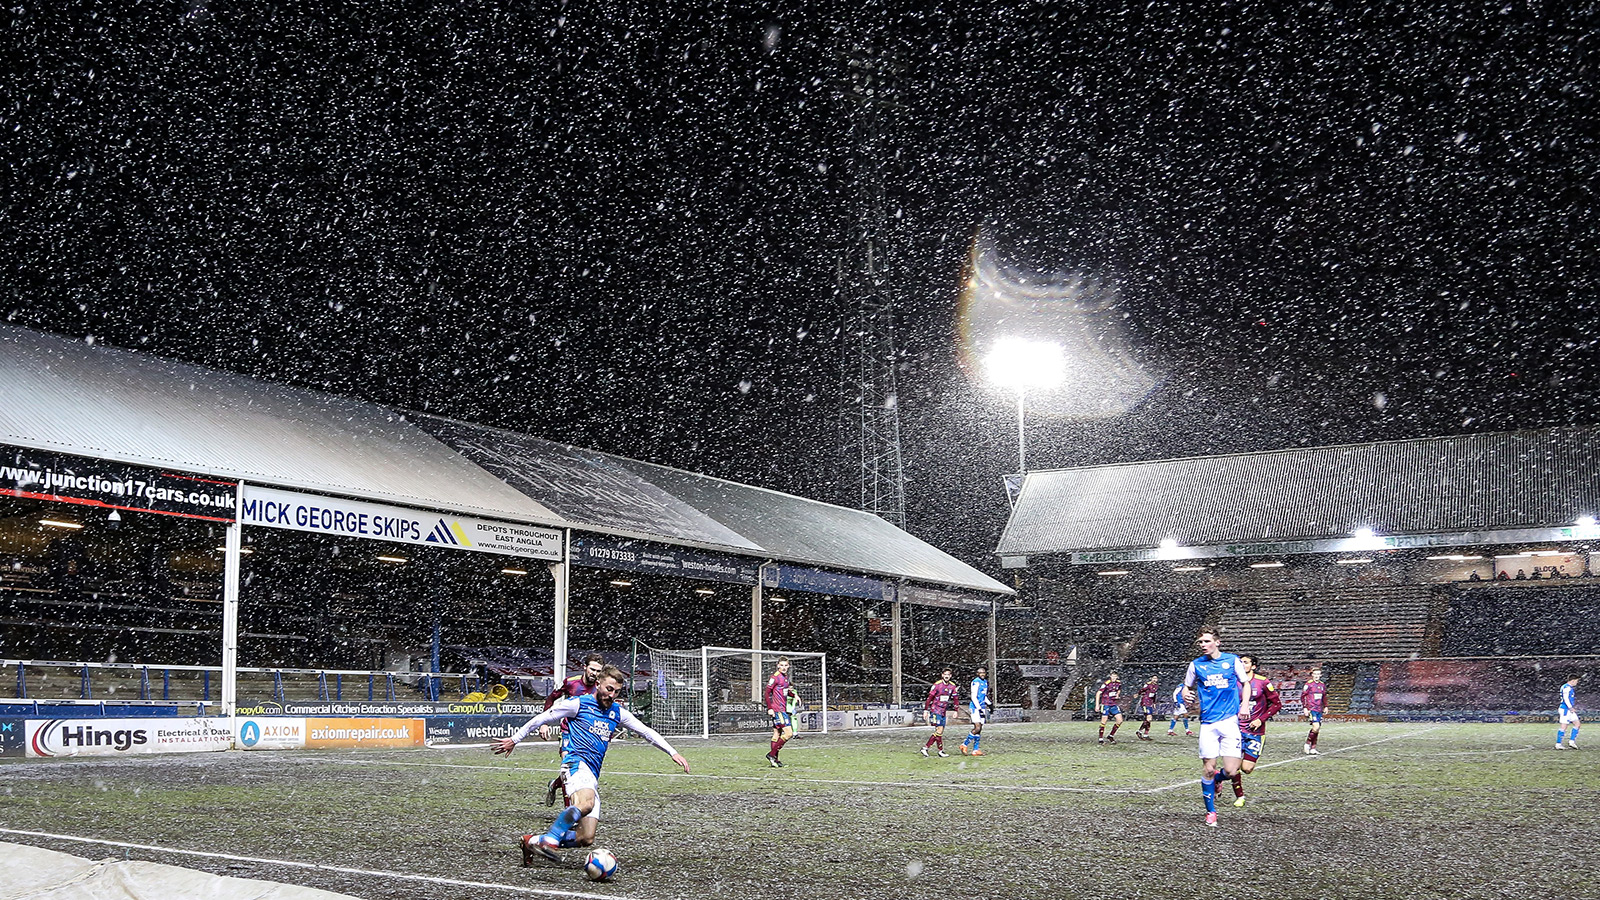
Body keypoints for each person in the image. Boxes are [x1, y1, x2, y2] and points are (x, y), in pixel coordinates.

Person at [493, 665, 689, 865]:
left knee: (585, 838)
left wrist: (672, 752)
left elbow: (646, 732)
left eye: (617, 692)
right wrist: (515, 739)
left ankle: (532, 841)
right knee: (586, 803)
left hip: (592, 775)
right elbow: (543, 718)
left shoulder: (617, 712)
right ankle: (550, 839)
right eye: (609, 689)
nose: (612, 695)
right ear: (598, 684)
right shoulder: (578, 704)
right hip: (575, 764)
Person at [1181, 628, 1250, 827]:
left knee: (1230, 771)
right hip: (1208, 724)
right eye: (1200, 642)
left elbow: (1245, 684)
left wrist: (1244, 705)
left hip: (1229, 722)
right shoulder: (1196, 665)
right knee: (1208, 769)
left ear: (1217, 642)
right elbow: (1187, 686)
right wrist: (1186, 693)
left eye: (1206, 641)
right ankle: (1211, 812)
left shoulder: (1232, 660)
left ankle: (1219, 779)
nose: (1202, 645)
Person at [538, 653, 606, 806]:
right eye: (592, 669)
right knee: (569, 766)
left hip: (588, 736)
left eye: (598, 671)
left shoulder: (600, 687)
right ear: (585, 667)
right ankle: (570, 811)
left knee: (581, 771)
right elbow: (551, 698)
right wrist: (544, 723)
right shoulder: (571, 683)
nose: (594, 674)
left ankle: (554, 784)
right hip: (568, 732)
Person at [1229, 654, 1283, 807]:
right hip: (1235, 729)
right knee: (1233, 768)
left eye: (1245, 662)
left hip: (1255, 732)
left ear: (1253, 666)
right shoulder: (1233, 681)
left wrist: (1261, 719)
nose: (1241, 664)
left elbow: (1276, 704)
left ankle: (1219, 777)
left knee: (1247, 768)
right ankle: (1240, 796)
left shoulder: (1263, 682)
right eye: (1240, 662)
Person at [922, 668, 961, 757]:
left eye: (948, 674)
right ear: (942, 675)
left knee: (940, 732)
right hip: (935, 710)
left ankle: (939, 750)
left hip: (943, 711)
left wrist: (956, 710)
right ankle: (927, 748)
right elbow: (929, 698)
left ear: (950, 676)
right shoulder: (937, 685)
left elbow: (955, 699)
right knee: (939, 730)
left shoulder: (952, 686)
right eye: (945, 674)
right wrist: (926, 710)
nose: (947, 676)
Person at [763, 658, 794, 767]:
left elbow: (785, 691)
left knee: (777, 733)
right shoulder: (775, 677)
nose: (784, 667)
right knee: (789, 733)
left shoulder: (785, 677)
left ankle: (775, 760)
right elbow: (767, 693)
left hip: (782, 708)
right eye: (782, 665)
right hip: (778, 709)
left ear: (788, 666)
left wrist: (794, 695)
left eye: (786, 665)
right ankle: (772, 755)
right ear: (778, 666)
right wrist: (770, 708)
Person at [960, 665, 991, 755]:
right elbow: (974, 697)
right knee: (977, 727)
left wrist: (989, 704)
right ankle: (964, 744)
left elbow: (983, 696)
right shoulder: (975, 682)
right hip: (975, 708)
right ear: (977, 674)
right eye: (980, 672)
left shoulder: (985, 682)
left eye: (983, 672)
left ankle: (975, 749)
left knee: (980, 728)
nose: (982, 674)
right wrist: (979, 708)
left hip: (982, 707)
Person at [1301, 669, 1328, 755]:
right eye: (1315, 674)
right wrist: (1305, 707)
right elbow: (1303, 696)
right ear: (1312, 675)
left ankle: (1313, 748)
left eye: (1318, 674)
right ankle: (1308, 743)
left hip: (1319, 709)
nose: (1316, 676)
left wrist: (1326, 706)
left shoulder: (1322, 685)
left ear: (1320, 675)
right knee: (1315, 727)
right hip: (1312, 708)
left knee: (1317, 728)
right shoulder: (1308, 684)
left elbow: (1324, 697)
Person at [1096, 672, 1124, 744]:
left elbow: (1119, 689)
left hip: (1113, 704)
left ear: (1117, 677)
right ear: (1110, 676)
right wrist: (1097, 705)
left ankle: (1111, 735)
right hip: (1106, 704)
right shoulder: (1106, 683)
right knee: (1104, 721)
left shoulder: (1118, 683)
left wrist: (1117, 695)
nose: (1114, 678)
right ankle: (1100, 739)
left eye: (1115, 676)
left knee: (1120, 720)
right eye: (1112, 676)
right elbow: (1098, 693)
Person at [1557, 675, 1581, 749]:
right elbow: (1566, 699)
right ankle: (1558, 744)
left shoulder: (1567, 687)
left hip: (1568, 709)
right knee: (1564, 726)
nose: (1577, 683)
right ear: (1573, 680)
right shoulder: (1567, 688)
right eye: (1576, 681)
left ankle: (1572, 741)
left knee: (1577, 724)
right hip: (1565, 709)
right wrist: (1570, 707)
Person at [1134, 675, 1160, 741]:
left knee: (1148, 719)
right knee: (1149, 718)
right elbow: (1142, 690)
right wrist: (1138, 694)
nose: (1154, 679)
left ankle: (1145, 734)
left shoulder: (1156, 686)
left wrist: (1154, 703)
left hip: (1150, 703)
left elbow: (1154, 695)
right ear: (1151, 679)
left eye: (1156, 678)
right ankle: (1140, 731)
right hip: (1145, 702)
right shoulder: (1148, 684)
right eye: (1153, 678)